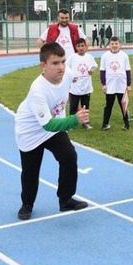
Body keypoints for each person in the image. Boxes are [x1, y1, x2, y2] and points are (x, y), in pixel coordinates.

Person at [14, 42, 90, 220]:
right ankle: (27, 204)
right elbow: (47, 124)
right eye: (55, 63)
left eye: (63, 61)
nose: (61, 67)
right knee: (31, 171)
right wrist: (74, 119)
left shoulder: (68, 74)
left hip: (54, 126)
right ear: (43, 65)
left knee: (69, 156)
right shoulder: (37, 90)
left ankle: (65, 199)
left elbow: (75, 85)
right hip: (31, 131)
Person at [100, 36, 132, 131]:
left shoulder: (124, 56)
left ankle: (126, 124)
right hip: (110, 86)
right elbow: (102, 71)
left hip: (122, 85)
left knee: (123, 105)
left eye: (116, 43)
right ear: (109, 45)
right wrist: (104, 84)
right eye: (112, 44)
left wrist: (129, 84)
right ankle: (105, 124)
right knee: (108, 105)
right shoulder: (104, 56)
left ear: (120, 45)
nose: (114, 45)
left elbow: (128, 71)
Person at [67, 39, 98, 129]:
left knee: (85, 106)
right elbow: (66, 68)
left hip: (86, 87)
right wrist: (71, 77)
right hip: (75, 87)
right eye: (79, 46)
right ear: (76, 47)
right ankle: (71, 124)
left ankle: (85, 123)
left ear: (86, 47)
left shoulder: (89, 57)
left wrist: (91, 71)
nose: (80, 48)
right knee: (73, 107)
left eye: (82, 46)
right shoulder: (72, 57)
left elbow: (94, 65)